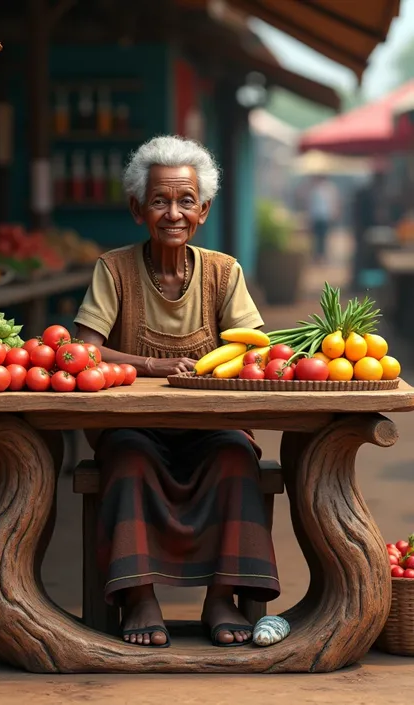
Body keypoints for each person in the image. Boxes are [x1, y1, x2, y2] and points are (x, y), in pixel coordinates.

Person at [74, 135, 282, 649]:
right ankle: (139, 596)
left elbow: (253, 351)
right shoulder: (114, 268)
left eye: (186, 200)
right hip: (134, 426)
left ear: (204, 210)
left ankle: (221, 598)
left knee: (236, 458)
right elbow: (82, 350)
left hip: (210, 424)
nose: (173, 212)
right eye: (160, 200)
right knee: (128, 460)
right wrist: (153, 364)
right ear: (137, 208)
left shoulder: (223, 272)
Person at [307, 174, 340, 261]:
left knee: (323, 238)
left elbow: (333, 202)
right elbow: (312, 205)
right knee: (317, 238)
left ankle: (322, 255)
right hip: (318, 216)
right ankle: (318, 255)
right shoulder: (315, 188)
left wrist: (333, 213)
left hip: (325, 216)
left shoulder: (329, 188)